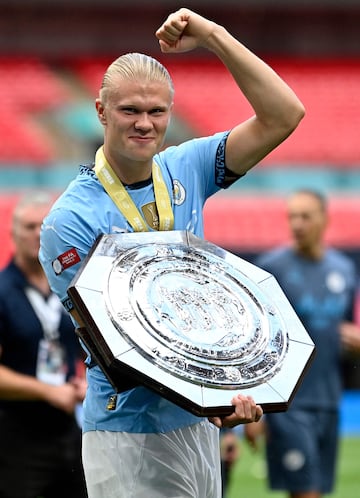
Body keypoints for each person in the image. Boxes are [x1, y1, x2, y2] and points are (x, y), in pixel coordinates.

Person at [39, 8, 305, 498]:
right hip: (128, 434)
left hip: (197, 425)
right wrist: (216, 397)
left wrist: (214, 36)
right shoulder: (70, 221)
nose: (145, 124)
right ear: (100, 111)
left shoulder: (188, 167)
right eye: (129, 110)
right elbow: (113, 350)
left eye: (157, 111)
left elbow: (284, 115)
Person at [244, 189, 360, 498]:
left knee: (317, 491)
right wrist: (258, 407)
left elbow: (345, 334)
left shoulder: (344, 271)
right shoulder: (273, 268)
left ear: (325, 219)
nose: (297, 223)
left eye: (305, 216)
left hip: (329, 401)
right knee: (305, 493)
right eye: (292, 216)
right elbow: (258, 342)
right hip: (289, 405)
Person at [0, 191, 88, 498]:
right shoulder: (2, 292)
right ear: (12, 233)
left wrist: (84, 384)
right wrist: (47, 391)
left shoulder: (69, 287)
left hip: (67, 431)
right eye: (28, 226)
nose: (38, 233)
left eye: (44, 225)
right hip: (15, 436)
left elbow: (88, 352)